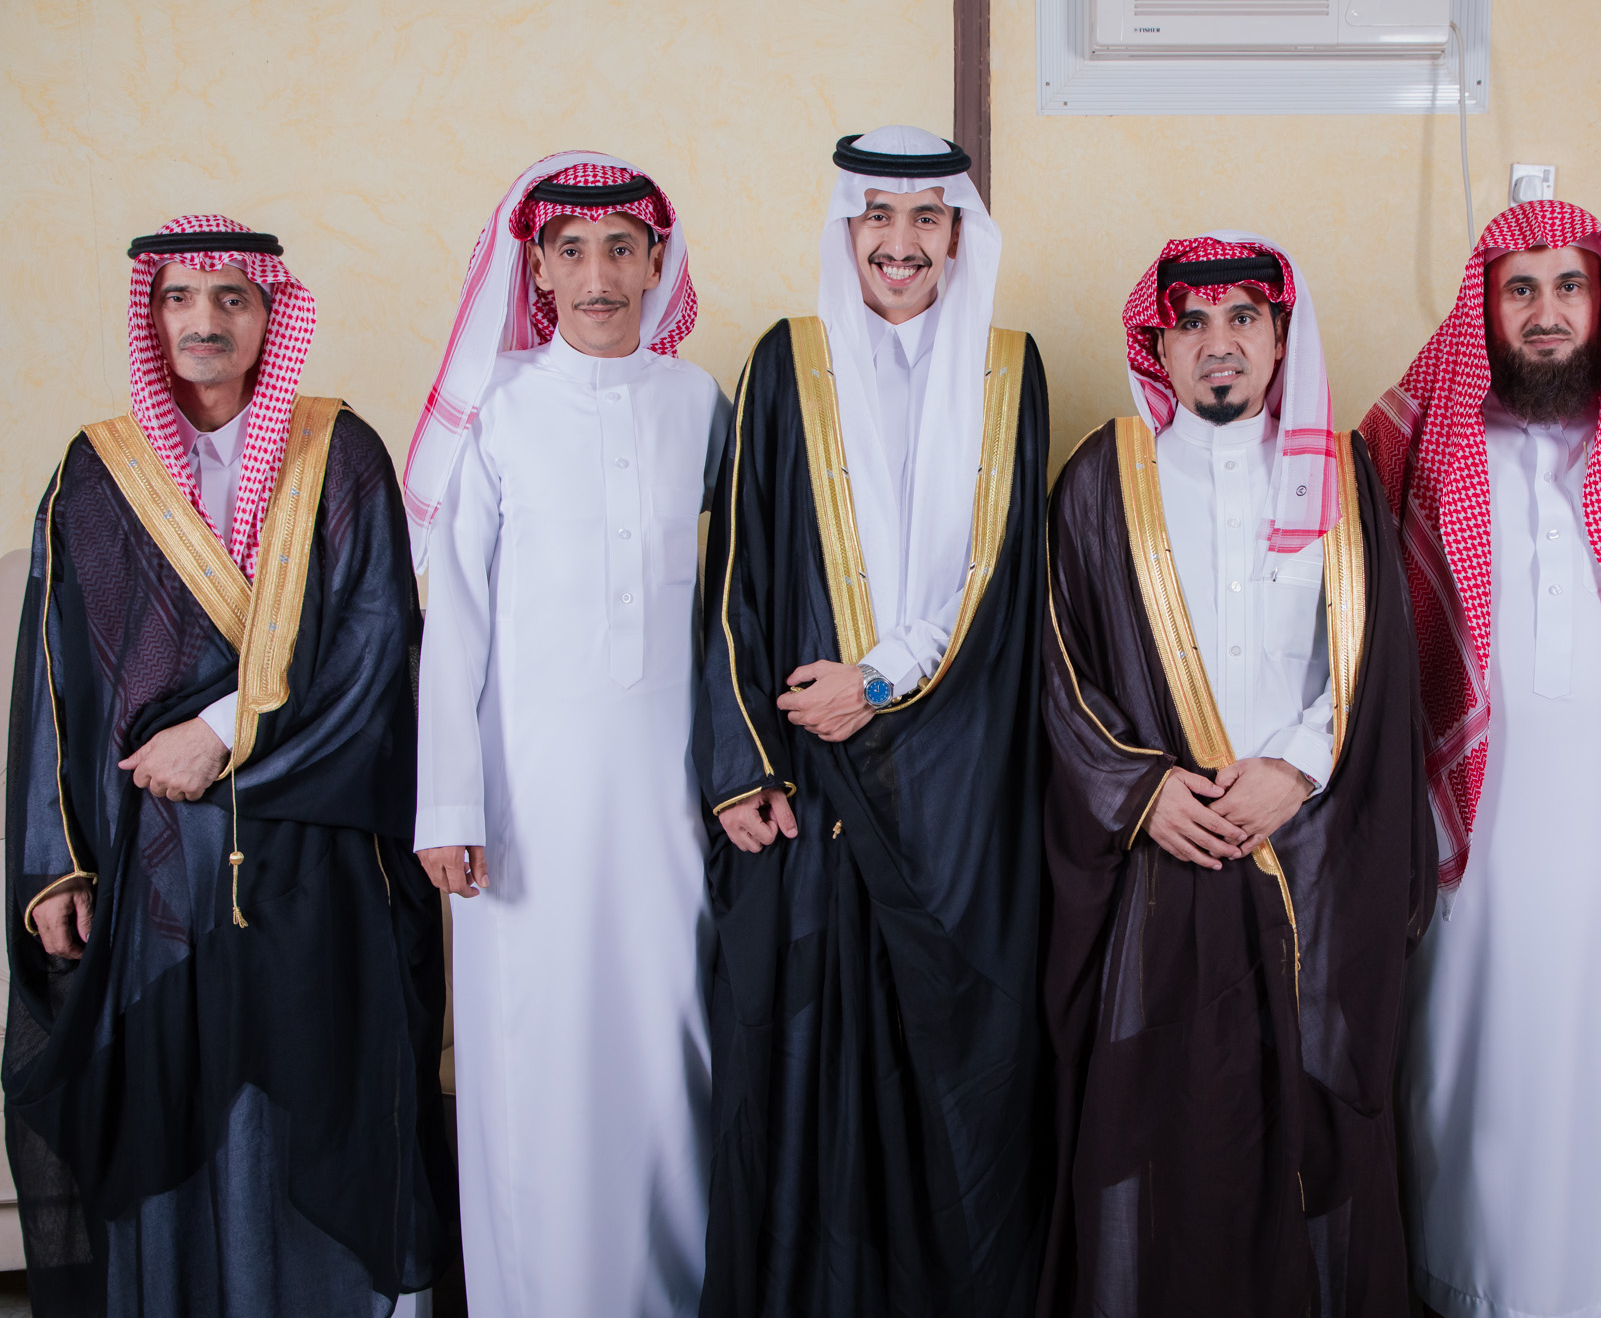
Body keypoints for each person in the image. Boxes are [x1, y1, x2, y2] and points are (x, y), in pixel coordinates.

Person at [3, 216, 452, 1317]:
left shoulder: (338, 451)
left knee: (316, 1092)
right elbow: (56, 677)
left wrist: (218, 733)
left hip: (316, 847)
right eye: (179, 298)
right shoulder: (97, 471)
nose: (204, 321)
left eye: (231, 298)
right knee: (174, 1102)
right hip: (157, 856)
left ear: (269, 315)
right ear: (151, 315)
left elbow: (373, 652)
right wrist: (56, 865)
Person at [1038, 234, 1433, 1316]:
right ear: (1157, 346)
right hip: (1153, 861)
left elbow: (1375, 665)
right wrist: (1142, 793)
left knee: (1311, 1119)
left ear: (1278, 337)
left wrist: (1296, 771)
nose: (1219, 343)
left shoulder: (1340, 472)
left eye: (1243, 318)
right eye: (1192, 322)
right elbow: (1059, 673)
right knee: (1152, 1122)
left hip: (1308, 852)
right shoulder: (1102, 478)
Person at [693, 126, 1047, 1317]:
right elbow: (737, 580)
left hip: (956, 784)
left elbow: (1005, 584)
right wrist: (740, 765)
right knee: (804, 1055)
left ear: (956, 235)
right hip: (808, 774)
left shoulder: (1010, 372)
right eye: (877, 218)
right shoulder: (784, 362)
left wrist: (881, 682)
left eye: (925, 218)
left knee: (954, 1059)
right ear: (847, 229)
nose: (900, 243)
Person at [1361, 200, 1601, 1318]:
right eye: (1520, 290)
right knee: (1471, 1069)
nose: (1545, 314)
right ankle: (1466, 1289)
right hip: (1472, 830)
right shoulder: (1415, 442)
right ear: (1485, 309)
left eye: (1568, 288)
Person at [406, 153, 723, 1317]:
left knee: (665, 1047)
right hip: (521, 802)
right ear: (536, 268)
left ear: (655, 264)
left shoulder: (699, 404)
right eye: (572, 250)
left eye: (620, 249)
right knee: (535, 1057)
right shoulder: (495, 410)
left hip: (667, 800)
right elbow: (454, 626)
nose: (598, 275)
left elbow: (732, 598)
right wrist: (449, 806)